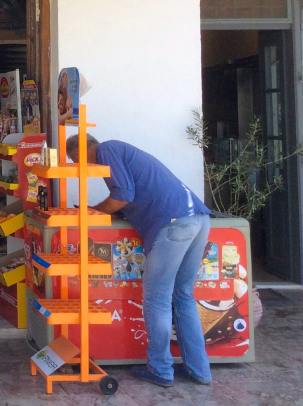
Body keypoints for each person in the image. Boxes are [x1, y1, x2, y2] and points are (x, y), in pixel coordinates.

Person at [65, 135, 212, 388]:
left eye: (76, 160)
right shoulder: (121, 152)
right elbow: (131, 196)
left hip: (173, 223)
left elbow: (122, 194)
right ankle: (199, 370)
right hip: (198, 219)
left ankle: (160, 369)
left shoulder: (106, 149)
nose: (80, 166)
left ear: (81, 150)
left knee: (157, 299)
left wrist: (91, 212)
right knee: (183, 295)